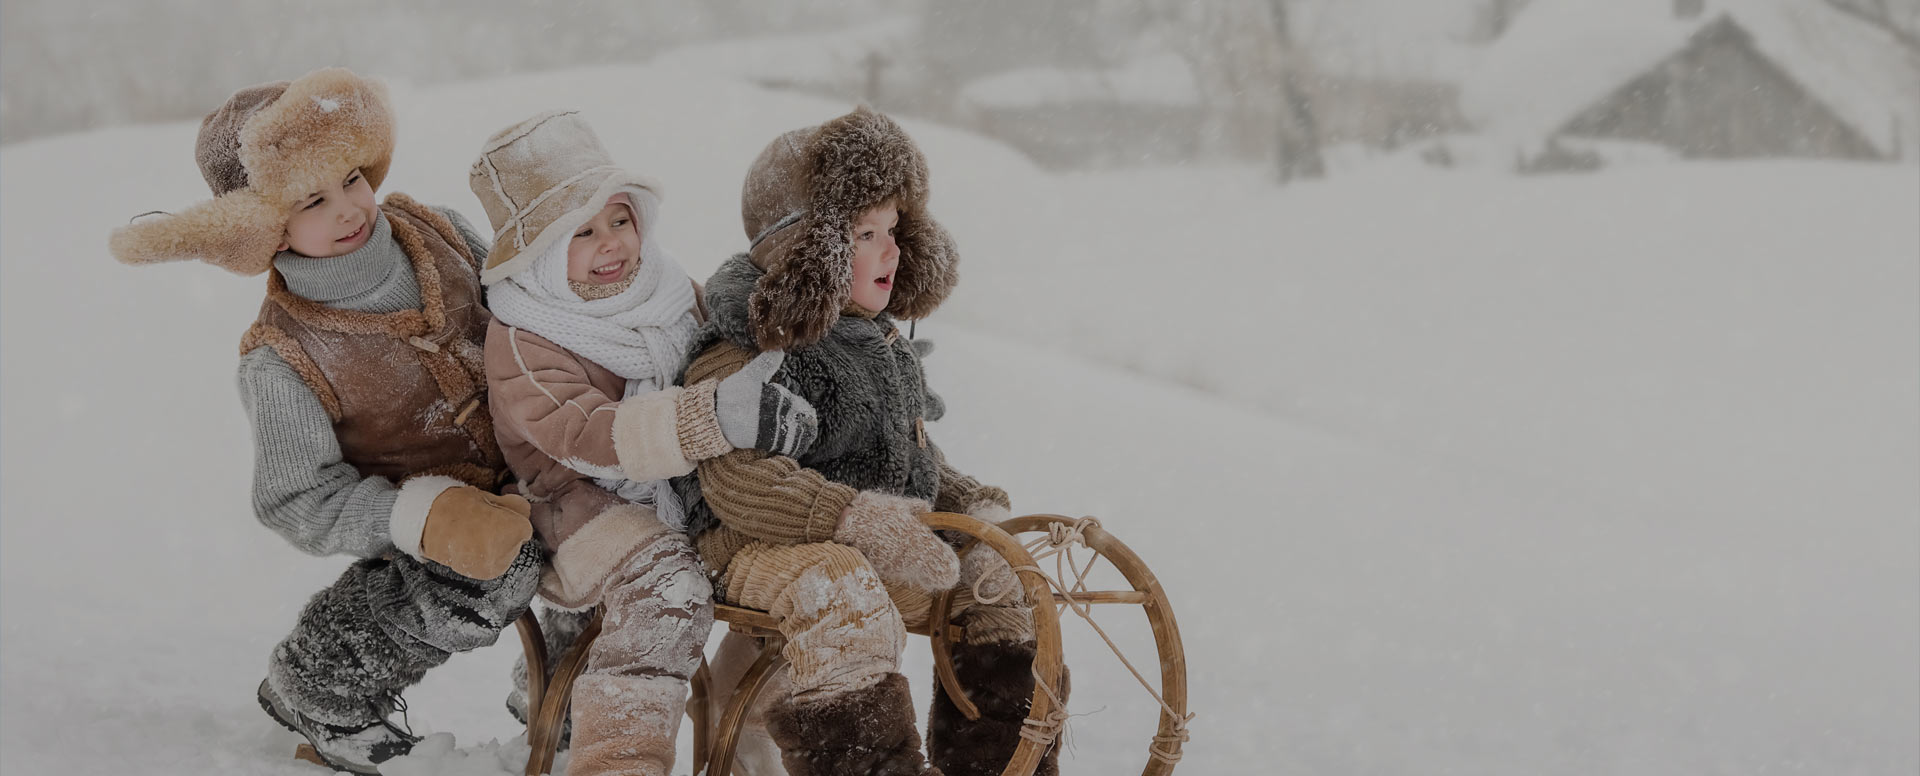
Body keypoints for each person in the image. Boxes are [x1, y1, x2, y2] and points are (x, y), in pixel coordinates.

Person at [108, 68, 540, 775]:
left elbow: (526, 311)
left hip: (537, 457)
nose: (348, 207)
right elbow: (296, 498)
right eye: (313, 199)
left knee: (609, 515)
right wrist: (418, 517)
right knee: (497, 566)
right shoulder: (283, 357)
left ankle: (572, 679)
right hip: (439, 516)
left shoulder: (439, 232)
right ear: (262, 225)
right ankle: (322, 679)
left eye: (350, 177)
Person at [674, 107, 1065, 776]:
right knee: (839, 587)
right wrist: (849, 517)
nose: (892, 251)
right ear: (810, 247)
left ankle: (995, 762)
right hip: (756, 546)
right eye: (866, 234)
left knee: (1002, 579)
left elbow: (909, 461)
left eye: (895, 230)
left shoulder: (875, 342)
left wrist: (976, 513)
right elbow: (735, 474)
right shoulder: (752, 343)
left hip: (880, 541)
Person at [471, 109, 818, 776]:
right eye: (581, 232)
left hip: (676, 492)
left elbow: (718, 351)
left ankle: (747, 733)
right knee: (670, 586)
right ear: (539, 251)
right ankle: (620, 758)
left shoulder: (665, 291)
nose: (612, 244)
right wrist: (707, 418)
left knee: (782, 550)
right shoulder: (524, 335)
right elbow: (583, 433)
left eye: (620, 221)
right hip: (572, 508)